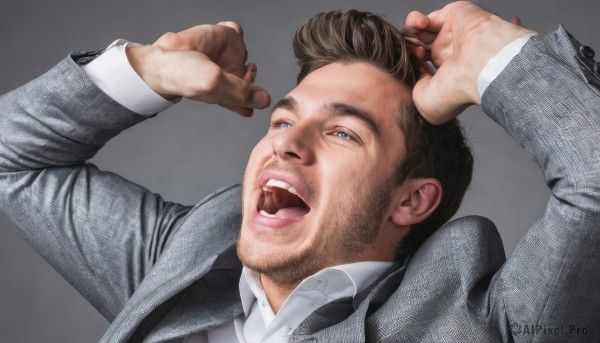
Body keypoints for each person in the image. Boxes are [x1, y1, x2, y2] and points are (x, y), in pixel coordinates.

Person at [0, 1, 598, 342]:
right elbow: (13, 159)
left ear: (412, 201)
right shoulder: (181, 263)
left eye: (342, 132)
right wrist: (142, 70)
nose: (288, 145)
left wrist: (501, 56)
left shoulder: (485, 322)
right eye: (283, 121)